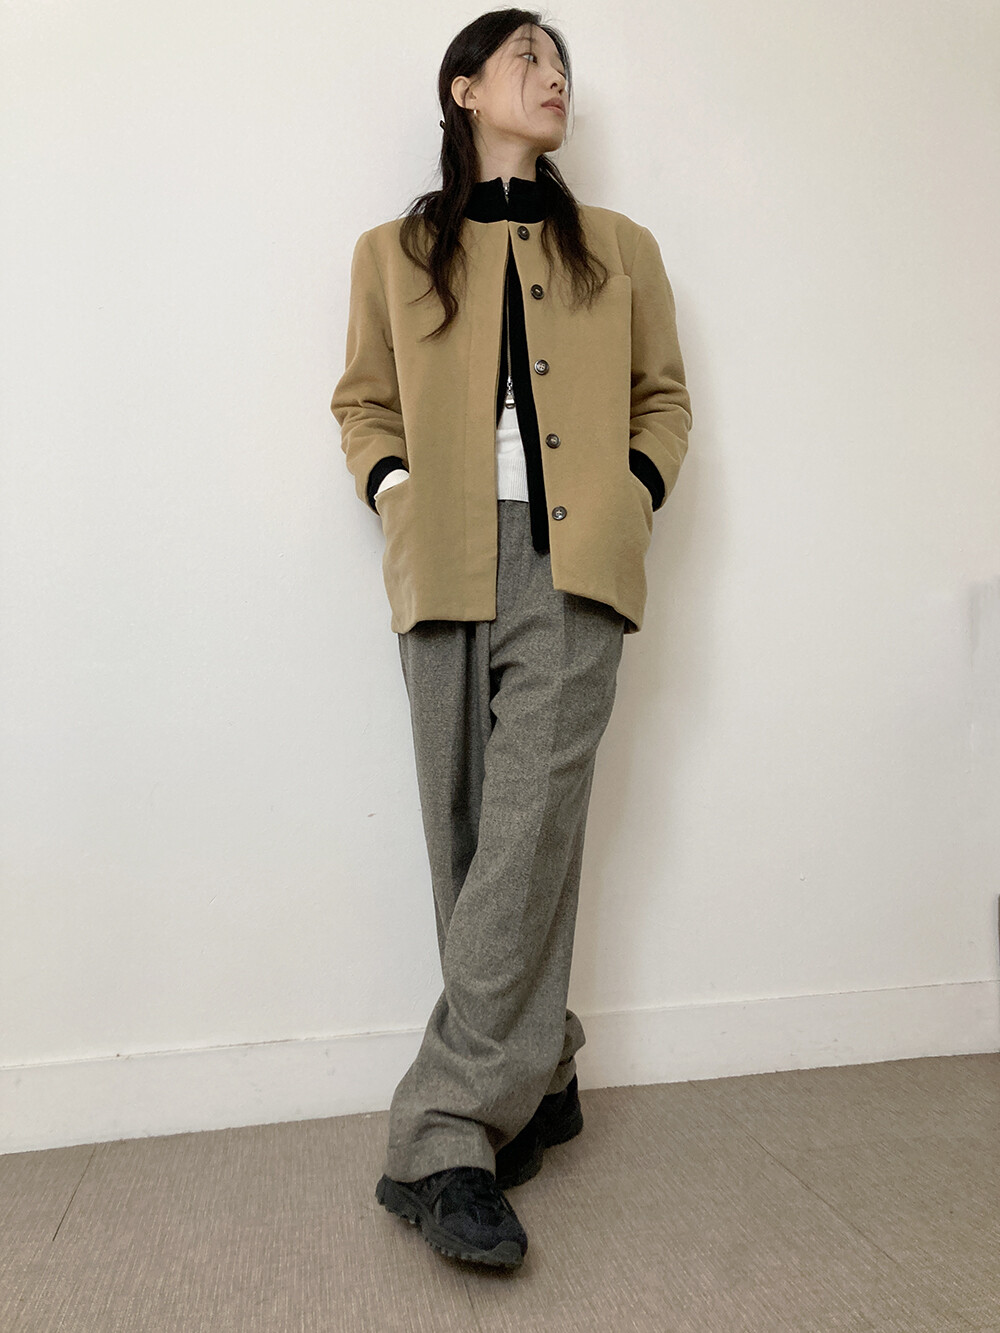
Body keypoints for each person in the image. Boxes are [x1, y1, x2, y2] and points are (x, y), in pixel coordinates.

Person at [330, 8, 691, 1271]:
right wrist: (393, 491)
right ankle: (544, 1070)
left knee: (527, 824)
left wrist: (634, 487)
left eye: (562, 65)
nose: (553, 77)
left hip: (574, 564)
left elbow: (663, 397)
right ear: (464, 88)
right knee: (469, 835)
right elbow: (362, 400)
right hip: (440, 560)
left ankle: (442, 1134)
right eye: (529, 57)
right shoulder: (390, 252)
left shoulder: (621, 250)